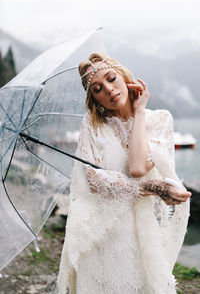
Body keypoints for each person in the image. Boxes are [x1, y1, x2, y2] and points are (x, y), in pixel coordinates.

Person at [57, 53, 191, 294]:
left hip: (138, 233)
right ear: (94, 98)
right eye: (97, 88)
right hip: (99, 235)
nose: (108, 89)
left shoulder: (160, 119)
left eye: (111, 78)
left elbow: (138, 167)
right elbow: (95, 181)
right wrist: (151, 188)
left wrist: (139, 112)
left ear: (125, 76)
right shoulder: (93, 125)